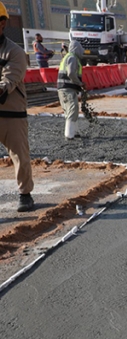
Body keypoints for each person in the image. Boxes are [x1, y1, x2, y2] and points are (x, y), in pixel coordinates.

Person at [0, 2, 35, 212]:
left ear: (2, 23)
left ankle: (25, 194)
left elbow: (8, 82)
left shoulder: (15, 52)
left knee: (20, 155)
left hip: (11, 114)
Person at [57, 40, 84, 140]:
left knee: (72, 109)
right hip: (67, 88)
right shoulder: (72, 57)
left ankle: (74, 132)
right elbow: (71, 73)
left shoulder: (69, 57)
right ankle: (69, 134)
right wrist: (79, 83)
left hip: (66, 88)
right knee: (72, 109)